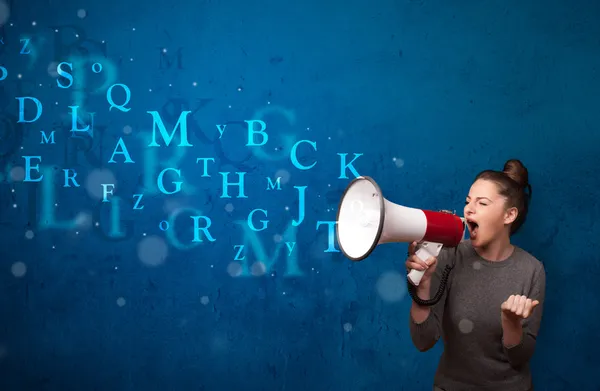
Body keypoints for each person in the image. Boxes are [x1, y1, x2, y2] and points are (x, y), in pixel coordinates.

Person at [406, 159, 546, 391]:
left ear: (509, 215)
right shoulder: (449, 256)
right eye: (467, 201)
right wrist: (423, 283)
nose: (468, 209)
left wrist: (511, 323)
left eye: (482, 203)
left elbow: (520, 358)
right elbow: (423, 341)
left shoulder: (532, 269)